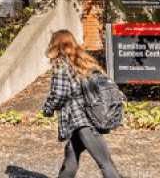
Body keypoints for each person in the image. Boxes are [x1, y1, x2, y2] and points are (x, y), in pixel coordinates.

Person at [42, 30, 121, 178]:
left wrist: (48, 108)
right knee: (71, 158)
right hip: (82, 122)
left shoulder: (60, 64)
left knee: (105, 163)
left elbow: (60, 94)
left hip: (84, 124)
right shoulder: (81, 62)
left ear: (55, 45)